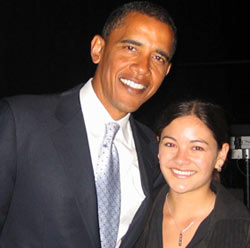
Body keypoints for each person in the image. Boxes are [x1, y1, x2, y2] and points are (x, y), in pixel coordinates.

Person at [0, 1, 177, 248]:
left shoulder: (153, 151)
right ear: (98, 49)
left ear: (166, 71)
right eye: (130, 48)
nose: (142, 68)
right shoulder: (21, 122)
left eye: (157, 57)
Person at [136, 99, 250, 247]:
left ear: (221, 155)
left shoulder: (241, 229)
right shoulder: (136, 214)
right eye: (170, 144)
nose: (181, 159)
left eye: (197, 148)